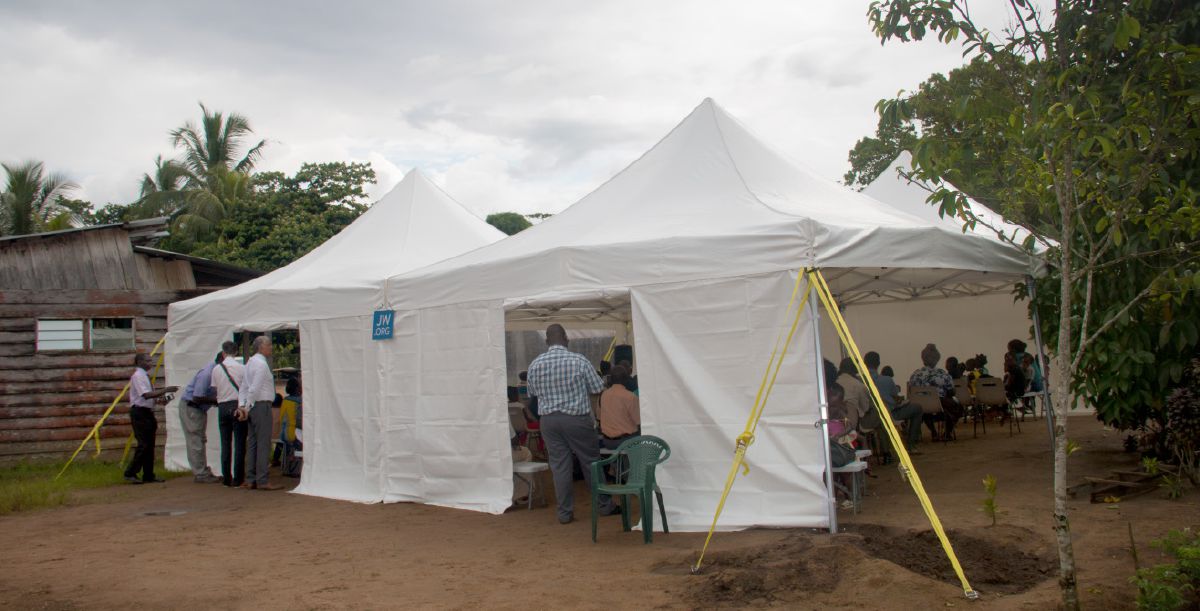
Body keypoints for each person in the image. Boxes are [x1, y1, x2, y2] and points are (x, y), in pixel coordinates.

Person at [526, 324, 619, 524]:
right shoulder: (579, 360)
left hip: (549, 421)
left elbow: (531, 393)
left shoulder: (535, 364)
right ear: (566, 339)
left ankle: (564, 513)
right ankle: (604, 506)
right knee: (590, 462)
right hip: (577, 419)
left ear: (546, 341)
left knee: (560, 467)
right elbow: (596, 388)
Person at [238, 336, 280, 491]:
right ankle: (262, 479)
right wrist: (246, 406)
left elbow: (244, 386)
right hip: (261, 406)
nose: (270, 348)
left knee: (253, 443)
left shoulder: (249, 363)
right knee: (263, 443)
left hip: (253, 406)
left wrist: (243, 406)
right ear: (261, 347)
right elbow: (254, 388)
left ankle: (250, 478)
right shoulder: (261, 365)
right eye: (268, 345)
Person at [864, 352, 923, 453]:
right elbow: (896, 398)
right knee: (917, 408)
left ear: (864, 363)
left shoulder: (860, 380)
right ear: (878, 363)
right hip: (890, 415)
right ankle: (911, 445)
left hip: (867, 418)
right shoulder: (887, 380)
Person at [179, 352, 222, 483]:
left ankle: (202, 470)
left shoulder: (213, 372)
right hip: (192, 408)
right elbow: (197, 397)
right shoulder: (207, 374)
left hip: (198, 409)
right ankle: (200, 473)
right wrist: (215, 400)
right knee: (195, 440)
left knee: (200, 439)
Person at [124, 353, 165, 484]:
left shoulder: (145, 376)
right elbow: (145, 395)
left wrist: (161, 400)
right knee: (143, 444)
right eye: (148, 360)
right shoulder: (138, 376)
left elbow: (150, 396)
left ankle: (148, 474)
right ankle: (130, 472)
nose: (151, 362)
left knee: (150, 445)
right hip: (139, 412)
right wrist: (164, 390)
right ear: (140, 361)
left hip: (147, 412)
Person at [908, 343, 963, 441]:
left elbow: (911, 392)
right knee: (958, 407)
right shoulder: (942, 374)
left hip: (922, 406)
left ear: (923, 359)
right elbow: (952, 391)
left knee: (923, 407)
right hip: (940, 404)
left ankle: (934, 432)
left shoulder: (915, 375)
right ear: (937, 359)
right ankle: (947, 432)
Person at [212, 341, 247, 487]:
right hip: (236, 405)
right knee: (239, 444)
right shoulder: (242, 368)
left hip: (222, 406)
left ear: (223, 352)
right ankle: (238, 478)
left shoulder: (216, 369)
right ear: (237, 352)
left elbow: (215, 390)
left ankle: (226, 477)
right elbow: (245, 388)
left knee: (225, 443)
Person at [598, 365, 640, 450]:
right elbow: (638, 421)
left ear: (611, 379)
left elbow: (599, 417)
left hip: (607, 442)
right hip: (625, 441)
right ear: (626, 379)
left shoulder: (603, 395)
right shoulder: (630, 397)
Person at [836, 357, 877, 432]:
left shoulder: (833, 383)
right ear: (855, 369)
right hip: (854, 424)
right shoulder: (859, 385)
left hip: (834, 424)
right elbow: (865, 408)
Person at [277, 377, 303, 478]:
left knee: (288, 448)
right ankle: (295, 470)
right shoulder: (299, 402)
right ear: (298, 389)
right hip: (293, 434)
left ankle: (286, 469)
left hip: (283, 433)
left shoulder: (285, 400)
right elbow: (300, 421)